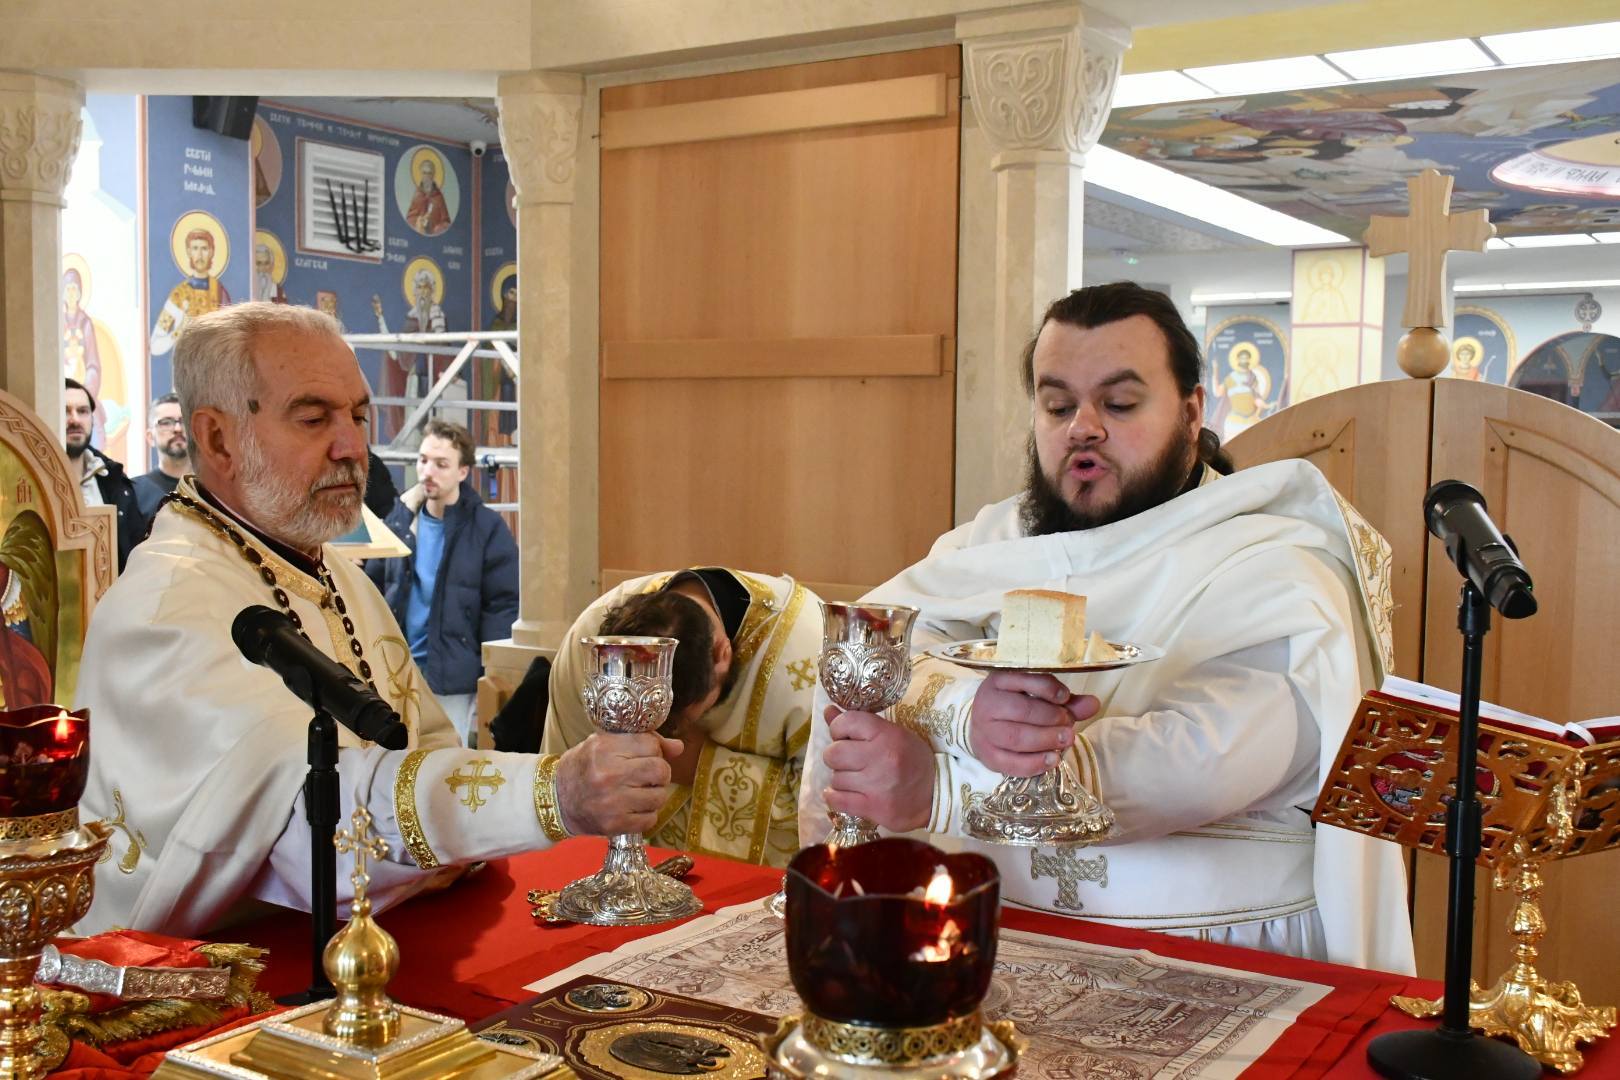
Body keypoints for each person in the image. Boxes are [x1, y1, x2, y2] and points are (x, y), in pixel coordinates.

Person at [801, 282, 1413, 975]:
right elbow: (879, 656)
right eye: (1057, 405)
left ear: (1191, 412)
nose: (1082, 428)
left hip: (1213, 957)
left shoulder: (1274, 564)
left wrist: (941, 788)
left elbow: (1199, 764)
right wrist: (967, 715)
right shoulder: (987, 545)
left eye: (1119, 404)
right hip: (995, 945)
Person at [77, 303, 683, 936]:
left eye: (359, 416)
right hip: (207, 973)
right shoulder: (167, 608)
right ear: (218, 439)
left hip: (357, 940)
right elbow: (317, 836)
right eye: (314, 418)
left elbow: (426, 748)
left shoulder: (336, 577)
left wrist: (447, 845)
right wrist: (554, 794)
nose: (351, 448)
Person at [543, 568, 822, 868]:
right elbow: (563, 788)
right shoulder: (594, 648)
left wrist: (697, 764)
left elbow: (823, 813)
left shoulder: (809, 658)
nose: (654, 741)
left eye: (678, 724)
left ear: (721, 655)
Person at [367, 421, 517, 746]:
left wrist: (492, 675)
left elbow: (502, 606)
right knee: (391, 759)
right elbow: (372, 587)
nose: (428, 472)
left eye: (441, 464)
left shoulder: (487, 528)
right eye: (423, 460)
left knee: (445, 759)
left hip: (452, 673)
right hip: (396, 669)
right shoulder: (400, 521)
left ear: (463, 471)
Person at [64, 378, 141, 572]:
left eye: (82, 411)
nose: (75, 420)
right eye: (65, 411)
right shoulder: (33, 481)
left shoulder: (115, 481)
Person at [150, 228, 230, 357]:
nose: (199, 255)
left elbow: (230, 338)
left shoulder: (220, 292)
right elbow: (155, 346)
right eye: (195, 248)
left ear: (211, 252)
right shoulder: (178, 296)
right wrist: (179, 329)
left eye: (204, 249)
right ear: (188, 252)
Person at [132, 393, 189, 523]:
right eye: (166, 423)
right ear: (150, 437)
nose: (177, 428)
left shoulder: (216, 490)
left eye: (184, 420)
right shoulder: (134, 492)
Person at [406, 155, 452, 236]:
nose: (427, 176)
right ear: (421, 174)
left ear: (433, 175)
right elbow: (409, 218)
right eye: (424, 173)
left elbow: (446, 222)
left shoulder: (438, 197)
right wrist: (418, 221)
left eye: (429, 173)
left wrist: (437, 228)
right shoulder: (417, 195)